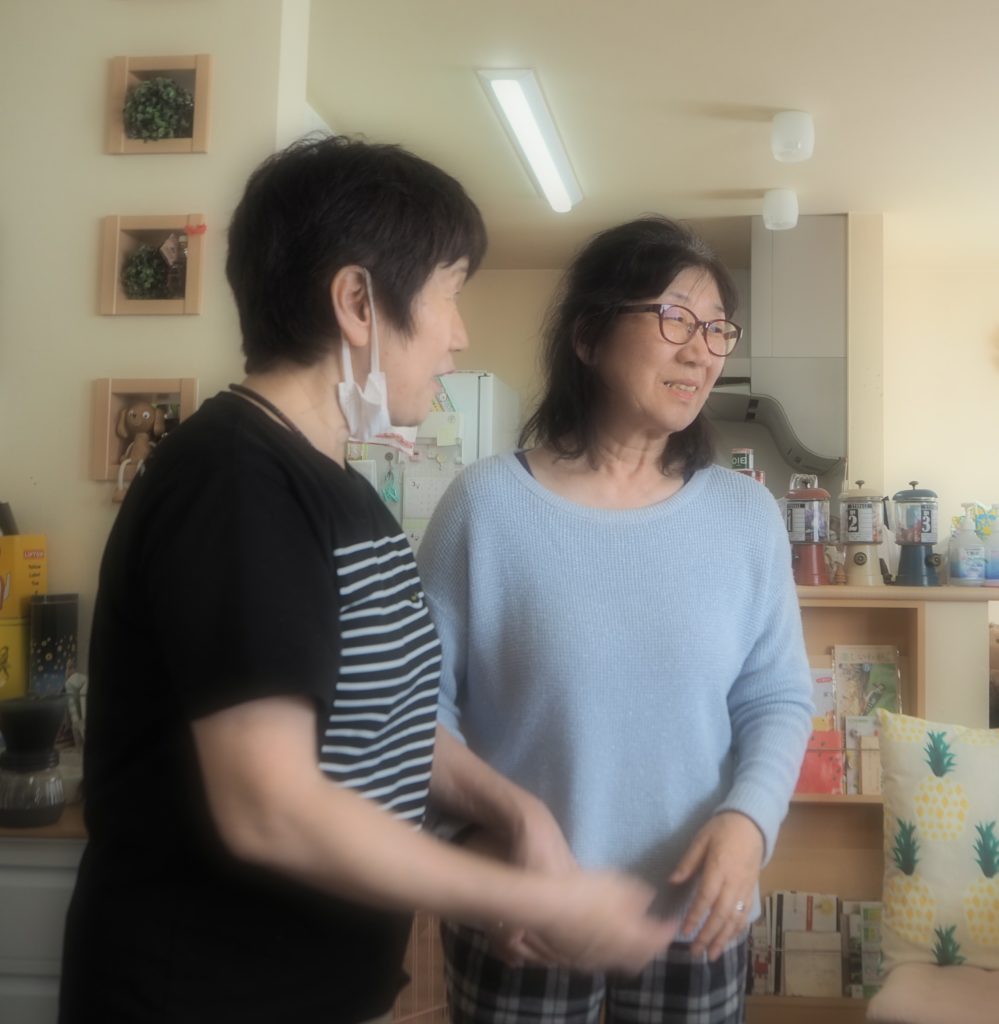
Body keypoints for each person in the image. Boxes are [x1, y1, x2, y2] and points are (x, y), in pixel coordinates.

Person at [58, 140, 677, 1024]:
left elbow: (381, 716)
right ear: (357, 303)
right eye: (449, 293)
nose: (459, 335)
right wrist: (534, 900)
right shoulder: (234, 483)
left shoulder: (340, 491)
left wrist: (515, 814)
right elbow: (268, 807)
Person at [417, 216, 815, 1023]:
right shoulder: (485, 506)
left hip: (694, 915)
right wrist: (475, 850)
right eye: (674, 318)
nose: (701, 350)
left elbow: (775, 697)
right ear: (588, 336)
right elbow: (417, 706)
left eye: (717, 328)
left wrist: (748, 824)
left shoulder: (745, 516)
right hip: (528, 912)